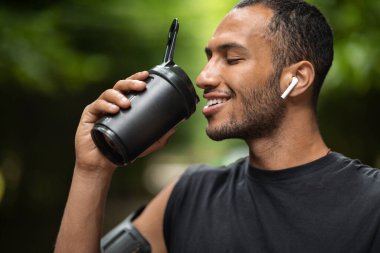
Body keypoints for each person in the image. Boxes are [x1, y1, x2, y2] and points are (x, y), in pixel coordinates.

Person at [54, 0, 380, 252]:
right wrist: (92, 170)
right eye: (209, 57)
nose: (203, 78)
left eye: (232, 58)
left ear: (296, 79)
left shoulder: (372, 204)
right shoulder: (190, 194)